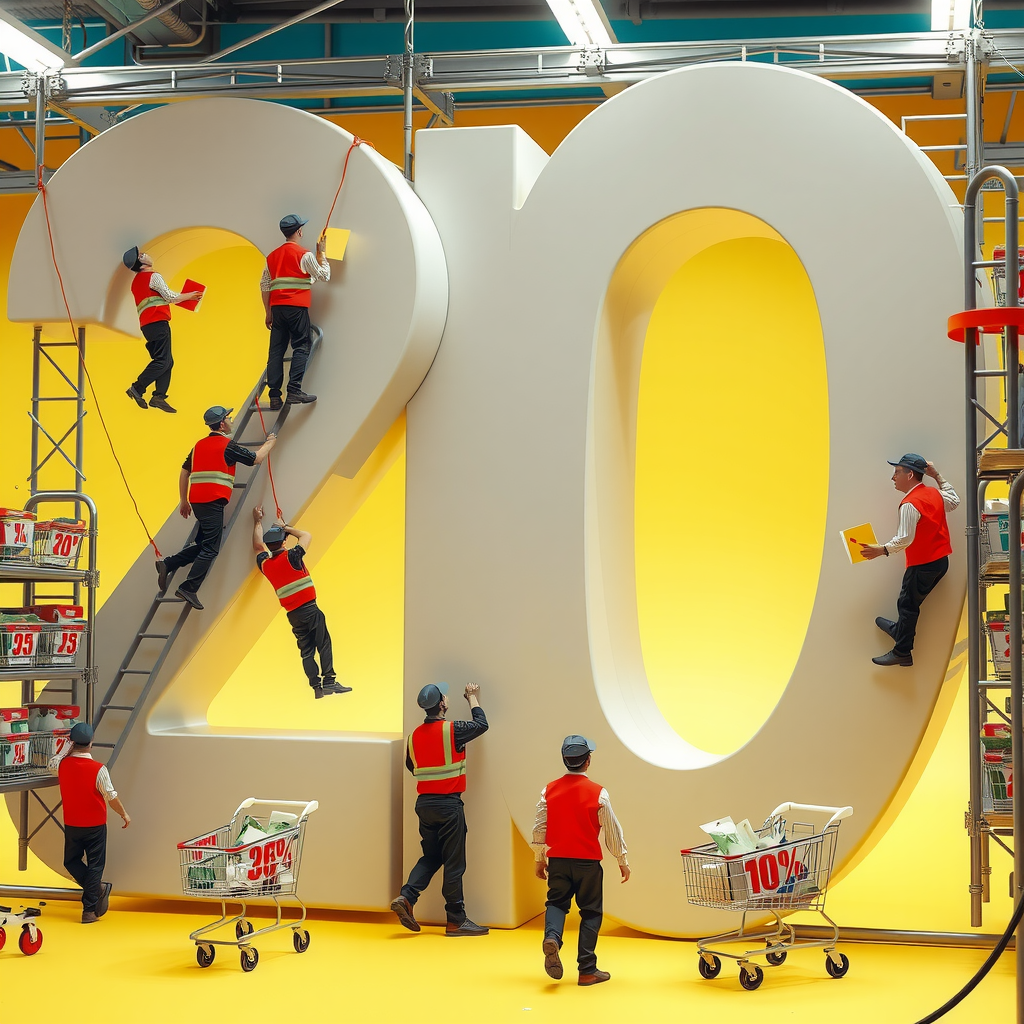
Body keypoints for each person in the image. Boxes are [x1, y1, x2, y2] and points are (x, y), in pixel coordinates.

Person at [390, 682, 489, 937]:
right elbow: (481, 725)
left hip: (424, 806)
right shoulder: (452, 730)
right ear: (442, 704)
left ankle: (407, 896)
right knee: (454, 863)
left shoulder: (413, 737)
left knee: (432, 857)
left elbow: (413, 768)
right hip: (449, 805)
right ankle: (456, 919)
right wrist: (472, 698)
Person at [155, 406, 276, 611]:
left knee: (204, 543)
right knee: (211, 548)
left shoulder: (198, 445)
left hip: (198, 501)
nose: (231, 420)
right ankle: (189, 587)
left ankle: (169, 563)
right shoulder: (227, 446)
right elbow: (256, 458)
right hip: (213, 501)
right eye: (228, 418)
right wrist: (270, 442)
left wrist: (183, 500)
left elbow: (184, 471)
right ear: (221, 423)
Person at [531, 735, 629, 987]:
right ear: (588, 761)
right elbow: (612, 830)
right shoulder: (598, 793)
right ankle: (587, 970)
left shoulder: (548, 790)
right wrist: (622, 859)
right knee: (591, 912)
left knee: (555, 903)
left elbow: (540, 827)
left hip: (559, 861)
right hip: (587, 863)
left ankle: (552, 936)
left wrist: (539, 859)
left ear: (564, 760)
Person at [860, 453, 960, 667]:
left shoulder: (910, 503)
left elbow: (905, 538)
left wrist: (882, 550)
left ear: (910, 474)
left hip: (923, 564)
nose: (893, 477)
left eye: (897, 472)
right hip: (941, 561)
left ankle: (902, 651)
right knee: (909, 602)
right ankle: (899, 630)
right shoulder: (933, 493)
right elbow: (954, 501)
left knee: (908, 605)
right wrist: (936, 476)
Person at [252, 505, 351, 699]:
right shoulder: (292, 557)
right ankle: (329, 681)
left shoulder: (266, 564)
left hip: (293, 615)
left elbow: (257, 546)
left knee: (306, 650)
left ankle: (316, 687)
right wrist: (285, 527)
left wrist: (257, 521)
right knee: (323, 643)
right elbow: (306, 535)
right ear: (285, 542)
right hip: (310, 610)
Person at [51, 722, 130, 924]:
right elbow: (111, 796)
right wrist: (124, 814)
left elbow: (52, 763)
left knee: (71, 862)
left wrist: (65, 750)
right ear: (91, 743)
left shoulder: (61, 765)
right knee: (95, 866)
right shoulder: (99, 769)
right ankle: (89, 910)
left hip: (72, 824)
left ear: (72, 742)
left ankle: (97, 891)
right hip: (95, 825)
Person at [260, 214, 330, 410]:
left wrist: (268, 312)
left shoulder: (271, 257)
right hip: (297, 308)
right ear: (299, 231)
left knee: (276, 351)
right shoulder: (304, 255)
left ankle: (274, 395)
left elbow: (265, 285)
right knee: (302, 345)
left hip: (277, 310)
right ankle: (294, 390)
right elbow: (324, 275)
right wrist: (322, 255)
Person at [122, 246, 203, 414]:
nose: (147, 254)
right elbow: (170, 297)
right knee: (162, 361)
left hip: (147, 325)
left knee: (167, 361)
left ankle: (159, 396)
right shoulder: (153, 276)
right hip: (158, 322)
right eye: (143, 255)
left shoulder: (135, 282)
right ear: (142, 263)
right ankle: (137, 388)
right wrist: (191, 295)